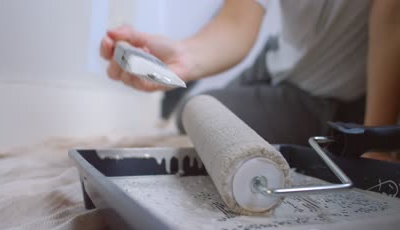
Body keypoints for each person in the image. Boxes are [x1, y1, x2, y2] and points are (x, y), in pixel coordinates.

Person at [100, 0, 400, 162]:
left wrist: (375, 140)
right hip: (277, 58)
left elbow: (392, 22)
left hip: (334, 93)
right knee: (197, 113)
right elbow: (236, 23)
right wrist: (184, 56)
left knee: (198, 110)